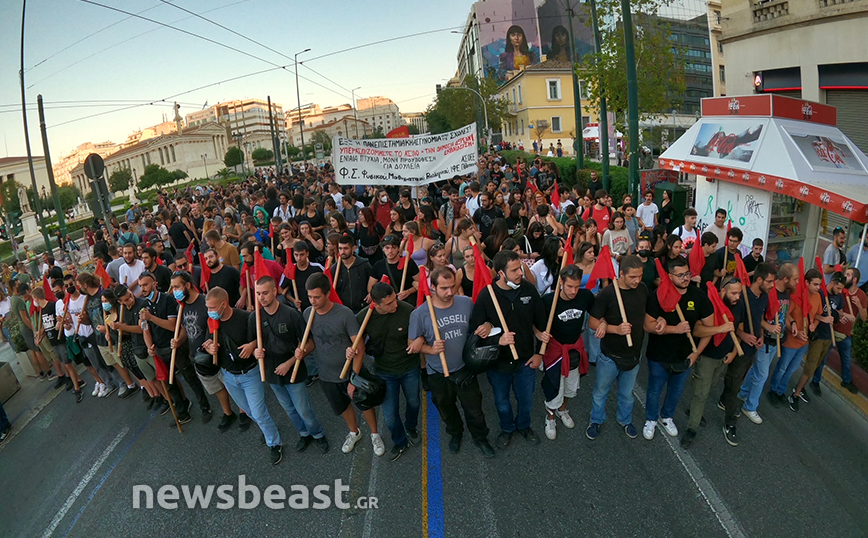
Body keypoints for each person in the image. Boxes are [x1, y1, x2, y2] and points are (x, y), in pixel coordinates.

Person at [408, 266, 495, 457]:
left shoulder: (465, 303)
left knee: (475, 410)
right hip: (438, 373)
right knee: (446, 410)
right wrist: (430, 349)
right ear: (432, 287)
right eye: (444, 288)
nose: (450, 292)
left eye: (453, 287)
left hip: (465, 369)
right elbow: (412, 344)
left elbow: (481, 323)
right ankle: (456, 433)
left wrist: (487, 325)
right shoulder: (420, 313)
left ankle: (480, 438)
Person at [295, 274, 383, 456]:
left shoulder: (344, 314)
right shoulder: (307, 313)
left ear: (327, 293)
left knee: (364, 404)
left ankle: (375, 434)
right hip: (327, 374)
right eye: (310, 297)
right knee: (342, 406)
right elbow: (312, 342)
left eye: (317, 297)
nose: (313, 301)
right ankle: (354, 432)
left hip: (350, 371)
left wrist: (354, 378)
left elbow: (359, 345)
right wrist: (303, 351)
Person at [471, 250, 548, 448]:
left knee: (526, 401)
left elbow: (541, 324)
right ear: (501, 273)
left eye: (520, 268)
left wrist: (540, 353)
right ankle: (507, 429)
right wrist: (496, 338)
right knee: (502, 403)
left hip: (525, 361)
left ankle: (523, 426)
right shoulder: (487, 295)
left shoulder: (529, 291)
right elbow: (475, 332)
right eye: (514, 270)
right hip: (498, 365)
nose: (520, 273)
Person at [247, 276, 328, 454]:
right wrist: (255, 352)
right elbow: (253, 343)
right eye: (258, 293)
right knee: (289, 409)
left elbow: (309, 343)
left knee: (303, 408)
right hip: (271, 372)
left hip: (294, 370)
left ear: (275, 291)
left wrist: (294, 358)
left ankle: (318, 434)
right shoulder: (255, 318)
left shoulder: (291, 314)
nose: (261, 297)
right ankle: (304, 433)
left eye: (265, 293)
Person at [204, 287, 284, 465]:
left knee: (258, 412)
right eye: (207, 308)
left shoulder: (244, 318)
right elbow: (206, 340)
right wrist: (209, 346)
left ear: (224, 305)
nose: (209, 311)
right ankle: (268, 429)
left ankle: (275, 443)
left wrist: (251, 345)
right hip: (228, 375)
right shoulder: (212, 322)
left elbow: (262, 337)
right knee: (248, 411)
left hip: (249, 373)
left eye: (212, 307)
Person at [642, 257, 714, 442]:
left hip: (685, 357)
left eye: (687, 273)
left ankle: (666, 416)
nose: (685, 278)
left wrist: (696, 353)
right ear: (670, 276)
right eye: (680, 275)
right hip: (659, 355)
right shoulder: (658, 295)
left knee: (676, 391)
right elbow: (648, 325)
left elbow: (709, 328)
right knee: (654, 390)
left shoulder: (698, 296)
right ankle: (650, 419)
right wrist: (675, 329)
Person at [586, 255, 648, 440]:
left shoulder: (643, 289)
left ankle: (625, 420)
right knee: (600, 392)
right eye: (633, 277)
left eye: (640, 276)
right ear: (621, 273)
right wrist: (615, 329)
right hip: (609, 356)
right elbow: (592, 322)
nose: (637, 281)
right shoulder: (607, 294)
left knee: (627, 395)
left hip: (634, 354)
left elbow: (648, 313)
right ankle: (596, 420)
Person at [139, 271, 211, 424]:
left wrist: (151, 317)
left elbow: (173, 326)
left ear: (154, 284)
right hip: (159, 349)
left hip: (175, 346)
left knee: (190, 377)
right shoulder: (144, 305)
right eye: (140, 286)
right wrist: (149, 346)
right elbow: (146, 329)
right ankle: (182, 409)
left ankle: (205, 406)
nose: (143, 288)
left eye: (145, 284)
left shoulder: (168, 300)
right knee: (168, 383)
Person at [170, 271, 238, 431]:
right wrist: (178, 340)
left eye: (177, 287)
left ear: (187, 285)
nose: (174, 291)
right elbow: (185, 329)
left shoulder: (205, 302)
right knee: (216, 387)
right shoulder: (181, 306)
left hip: (216, 353)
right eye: (172, 288)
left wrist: (212, 344)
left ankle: (243, 411)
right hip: (198, 357)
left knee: (232, 385)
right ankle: (228, 413)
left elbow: (219, 325)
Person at [362, 282, 420, 461]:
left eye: (395, 299)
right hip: (384, 372)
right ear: (376, 304)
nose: (395, 305)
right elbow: (354, 339)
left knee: (414, 402)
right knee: (390, 417)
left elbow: (421, 330)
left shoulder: (408, 310)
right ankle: (400, 441)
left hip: (409, 367)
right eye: (389, 303)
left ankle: (411, 426)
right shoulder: (364, 317)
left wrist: (420, 339)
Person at [681, 278, 740, 448]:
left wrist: (734, 352)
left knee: (709, 387)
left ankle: (693, 410)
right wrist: (720, 329)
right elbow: (698, 330)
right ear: (723, 291)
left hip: (724, 358)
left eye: (739, 293)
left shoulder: (740, 306)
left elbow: (739, 329)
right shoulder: (709, 305)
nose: (737, 297)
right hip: (707, 357)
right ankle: (691, 429)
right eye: (733, 293)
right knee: (701, 394)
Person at [718, 263, 773, 445]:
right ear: (759, 280)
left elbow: (760, 319)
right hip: (739, 348)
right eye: (770, 281)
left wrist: (761, 335)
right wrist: (744, 335)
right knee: (734, 384)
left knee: (738, 379)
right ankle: (729, 423)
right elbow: (735, 326)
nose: (772, 285)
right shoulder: (742, 299)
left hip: (753, 349)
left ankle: (723, 400)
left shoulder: (764, 297)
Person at [540, 265, 594, 440]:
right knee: (554, 386)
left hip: (574, 348)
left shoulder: (585, 296)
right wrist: (539, 334)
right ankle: (550, 417)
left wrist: (601, 323)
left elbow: (597, 313)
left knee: (570, 386)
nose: (573, 291)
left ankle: (563, 410)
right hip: (555, 351)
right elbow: (535, 323)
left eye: (577, 286)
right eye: (569, 286)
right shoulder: (549, 300)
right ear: (561, 282)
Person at [739, 263, 795, 418]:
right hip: (767, 342)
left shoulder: (784, 294)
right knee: (762, 375)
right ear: (786, 279)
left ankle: (743, 392)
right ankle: (750, 407)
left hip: (774, 340)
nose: (797, 282)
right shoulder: (769, 293)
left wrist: (792, 324)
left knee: (757, 371)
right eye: (795, 279)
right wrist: (768, 329)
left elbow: (783, 313)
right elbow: (760, 318)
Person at [789, 271, 847, 410]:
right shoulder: (820, 294)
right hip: (818, 336)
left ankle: (801, 388)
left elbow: (838, 311)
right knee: (810, 366)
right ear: (832, 282)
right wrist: (821, 320)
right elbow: (813, 313)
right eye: (838, 288)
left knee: (815, 366)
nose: (840, 291)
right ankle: (795, 394)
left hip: (828, 336)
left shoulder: (838, 297)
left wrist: (843, 315)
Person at [334, 235, 372, 312]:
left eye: (346, 248)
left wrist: (371, 294)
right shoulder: (334, 269)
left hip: (363, 308)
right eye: (340, 248)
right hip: (343, 310)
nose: (343, 252)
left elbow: (374, 281)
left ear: (354, 248)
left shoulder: (364, 265)